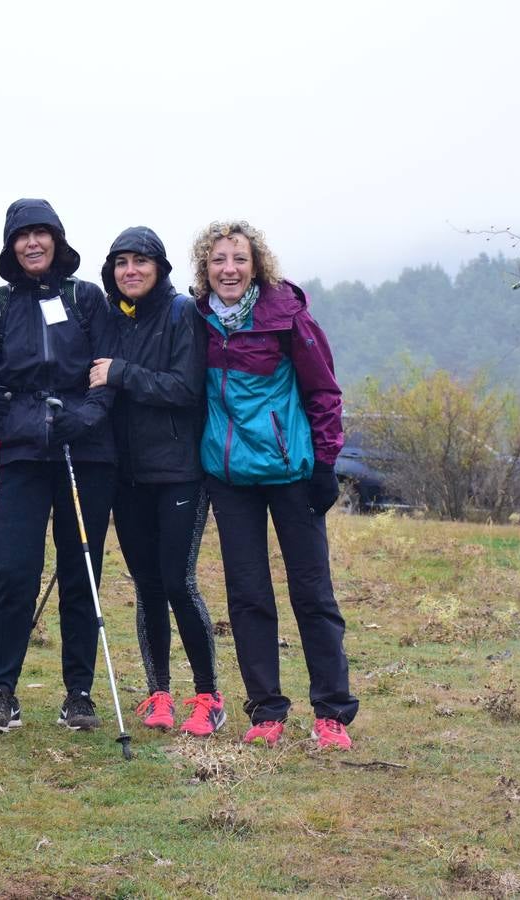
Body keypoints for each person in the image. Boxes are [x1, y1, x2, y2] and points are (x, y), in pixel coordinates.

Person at [191, 220, 358, 749]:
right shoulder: (196, 320)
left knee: (312, 593)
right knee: (247, 597)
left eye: (238, 258)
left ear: (256, 264)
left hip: (293, 475)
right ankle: (266, 710)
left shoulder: (288, 317)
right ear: (205, 269)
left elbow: (324, 392)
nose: (229, 269)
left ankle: (331, 713)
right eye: (218, 260)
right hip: (230, 479)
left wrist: (326, 463)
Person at [0, 199, 117, 734]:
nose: (32, 243)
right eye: (21, 235)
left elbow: (107, 370)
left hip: (84, 452)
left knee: (81, 571)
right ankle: (2, 689)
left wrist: (90, 414)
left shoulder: (87, 298)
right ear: (10, 245)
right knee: (12, 571)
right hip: (20, 451)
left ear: (57, 239)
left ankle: (79, 693)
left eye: (41, 234)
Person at [89, 226, 223, 737]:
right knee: (146, 586)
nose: (131, 271)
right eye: (121, 262)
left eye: (141, 261)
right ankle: (159, 694)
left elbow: (187, 389)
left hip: (179, 473)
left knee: (177, 583)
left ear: (160, 268)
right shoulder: (111, 318)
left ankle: (208, 695)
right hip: (127, 475)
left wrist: (121, 372)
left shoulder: (181, 312)